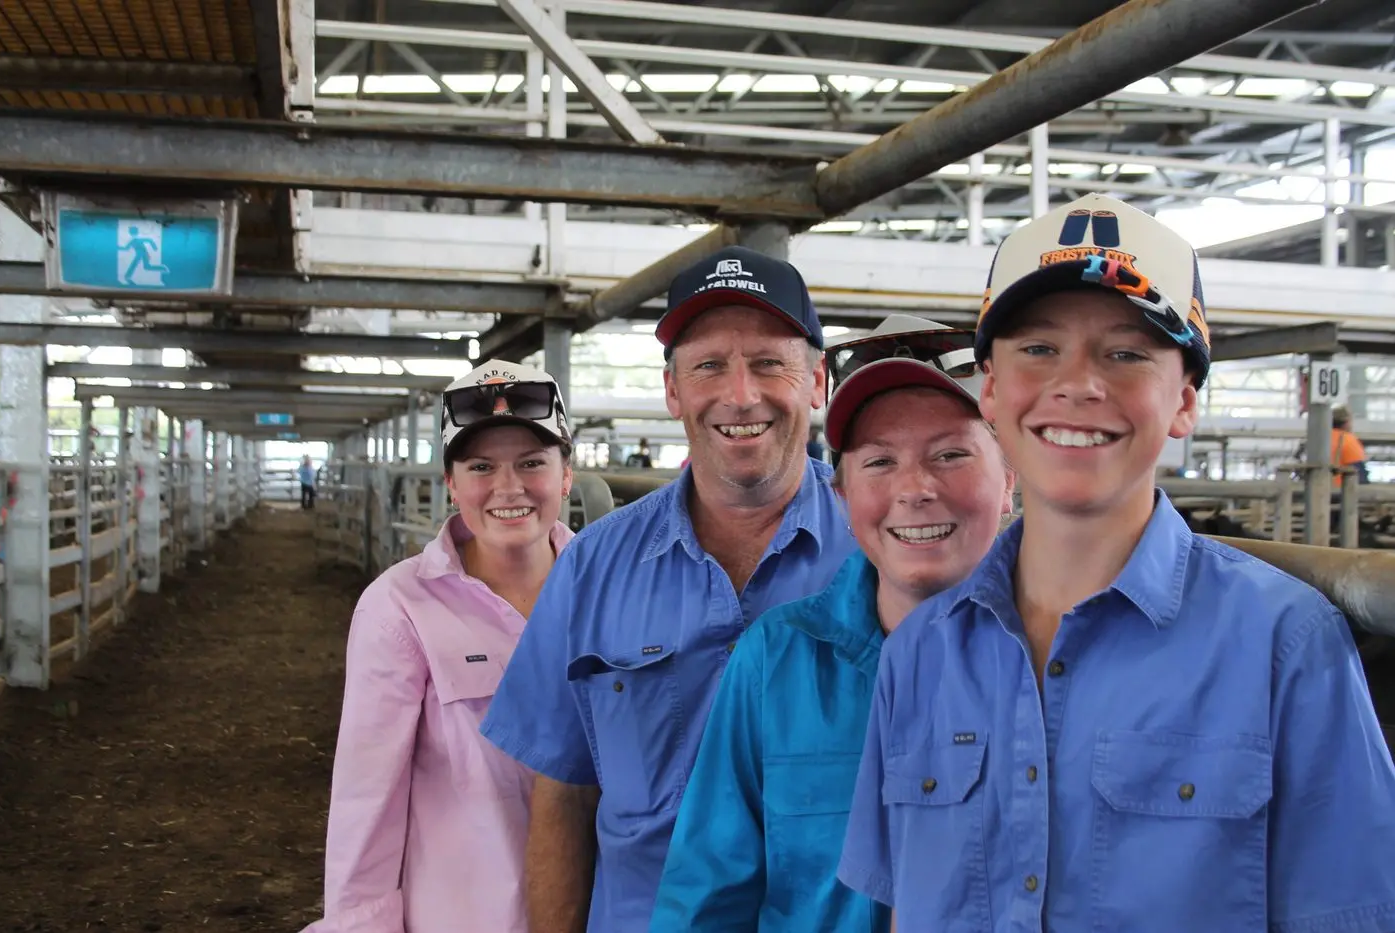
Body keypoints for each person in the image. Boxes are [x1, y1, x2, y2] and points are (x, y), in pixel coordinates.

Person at [838, 193, 1395, 932]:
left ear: (1184, 402)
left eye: (1125, 352)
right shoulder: (919, 653)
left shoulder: (1285, 646)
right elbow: (906, 907)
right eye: (1038, 348)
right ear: (993, 390)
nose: (1078, 383)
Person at [481, 245, 857, 933]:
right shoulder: (592, 566)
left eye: (769, 362)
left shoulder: (881, 551)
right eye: (708, 364)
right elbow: (562, 797)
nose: (739, 394)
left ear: (816, 382)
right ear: (672, 391)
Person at [650, 314, 1014, 933]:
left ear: (1009, 482)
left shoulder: (1062, 659)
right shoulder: (777, 658)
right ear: (842, 496)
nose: (915, 488)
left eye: (952, 454)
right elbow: (708, 895)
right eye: (878, 463)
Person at [303, 359, 577, 933]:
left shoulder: (612, 591)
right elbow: (366, 800)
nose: (509, 488)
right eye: (481, 467)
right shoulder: (399, 608)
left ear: (566, 475)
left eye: (532, 463)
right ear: (452, 483)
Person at [1332, 405, 1368, 488]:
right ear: (1347, 422)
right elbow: (1359, 472)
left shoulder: (1319, 440)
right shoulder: (1348, 440)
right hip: (1342, 493)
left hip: (1318, 491)